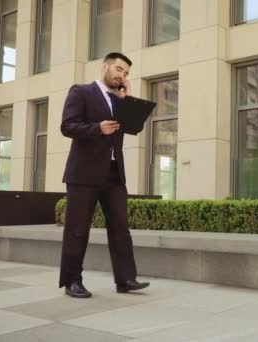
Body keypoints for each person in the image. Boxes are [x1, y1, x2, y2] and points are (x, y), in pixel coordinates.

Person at [59, 52, 149, 298]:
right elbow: (67, 126)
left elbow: (134, 128)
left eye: (126, 73)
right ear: (105, 67)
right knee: (77, 229)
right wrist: (96, 128)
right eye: (119, 69)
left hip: (113, 174)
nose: (122, 75)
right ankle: (72, 282)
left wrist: (126, 100)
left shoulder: (119, 99)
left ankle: (126, 279)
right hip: (83, 173)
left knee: (121, 228)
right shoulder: (81, 91)